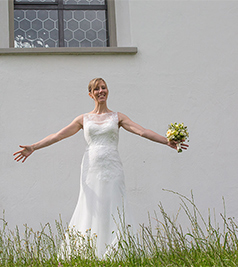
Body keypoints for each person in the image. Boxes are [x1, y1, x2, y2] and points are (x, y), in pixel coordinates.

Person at [13, 78, 188, 257]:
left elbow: (142, 131)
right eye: (96, 89)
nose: (101, 91)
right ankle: (87, 251)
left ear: (108, 91)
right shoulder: (83, 119)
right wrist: (34, 147)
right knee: (92, 205)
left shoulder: (118, 117)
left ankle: (117, 251)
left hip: (112, 167)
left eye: (103, 87)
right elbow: (58, 136)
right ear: (91, 94)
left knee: (115, 203)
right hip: (91, 168)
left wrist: (167, 141)